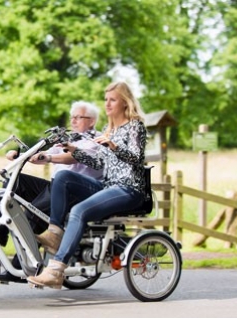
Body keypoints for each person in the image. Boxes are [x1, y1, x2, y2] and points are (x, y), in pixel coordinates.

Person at [27, 81, 147, 289]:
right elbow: (98, 162)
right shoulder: (110, 129)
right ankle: (54, 233)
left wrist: (114, 145)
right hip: (108, 186)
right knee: (63, 177)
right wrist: (74, 149)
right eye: (106, 99)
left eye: (113, 100)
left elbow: (137, 158)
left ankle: (55, 271)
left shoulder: (135, 126)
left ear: (125, 103)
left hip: (129, 188)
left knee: (79, 210)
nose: (107, 104)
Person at [0, 101, 103, 283]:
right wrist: (20, 157)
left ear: (91, 121)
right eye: (72, 117)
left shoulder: (95, 140)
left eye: (78, 117)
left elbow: (70, 157)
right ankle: (1, 232)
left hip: (76, 192)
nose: (73, 120)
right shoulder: (69, 138)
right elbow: (42, 156)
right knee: (16, 183)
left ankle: (21, 267)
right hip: (56, 187)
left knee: (34, 211)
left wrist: (50, 157)